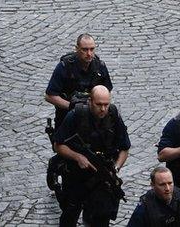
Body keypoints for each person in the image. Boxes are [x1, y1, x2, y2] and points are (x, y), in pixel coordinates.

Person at [55, 86, 131, 227]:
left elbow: (125, 148)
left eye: (106, 105)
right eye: (99, 105)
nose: (103, 109)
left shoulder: (113, 115)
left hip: (101, 179)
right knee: (70, 215)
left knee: (101, 218)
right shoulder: (75, 115)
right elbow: (59, 145)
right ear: (90, 101)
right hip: (76, 176)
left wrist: (116, 167)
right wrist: (77, 157)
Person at [46, 35, 114, 119]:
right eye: (84, 50)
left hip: (94, 116)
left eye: (92, 49)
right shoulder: (64, 67)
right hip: (67, 116)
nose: (89, 54)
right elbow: (50, 96)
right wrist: (73, 107)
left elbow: (108, 92)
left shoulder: (100, 66)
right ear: (77, 49)